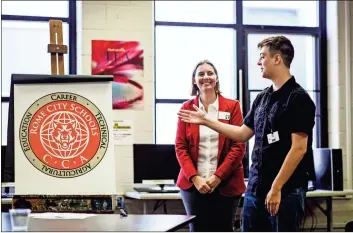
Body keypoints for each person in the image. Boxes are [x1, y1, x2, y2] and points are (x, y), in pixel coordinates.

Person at [177, 36, 316, 232]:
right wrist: (206, 120)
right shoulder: (262, 98)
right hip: (256, 189)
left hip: (284, 191)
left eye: (262, 57)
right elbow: (242, 134)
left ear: (277, 59)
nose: (259, 62)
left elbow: (299, 148)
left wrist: (276, 188)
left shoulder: (299, 99)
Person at [175, 60, 246, 232]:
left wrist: (218, 177)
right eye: (201, 74)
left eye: (210, 73)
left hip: (226, 183)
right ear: (194, 80)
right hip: (193, 186)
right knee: (197, 229)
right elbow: (180, 147)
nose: (206, 77)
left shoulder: (232, 106)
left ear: (217, 78)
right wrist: (195, 178)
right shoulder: (187, 108)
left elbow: (238, 145)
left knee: (223, 229)